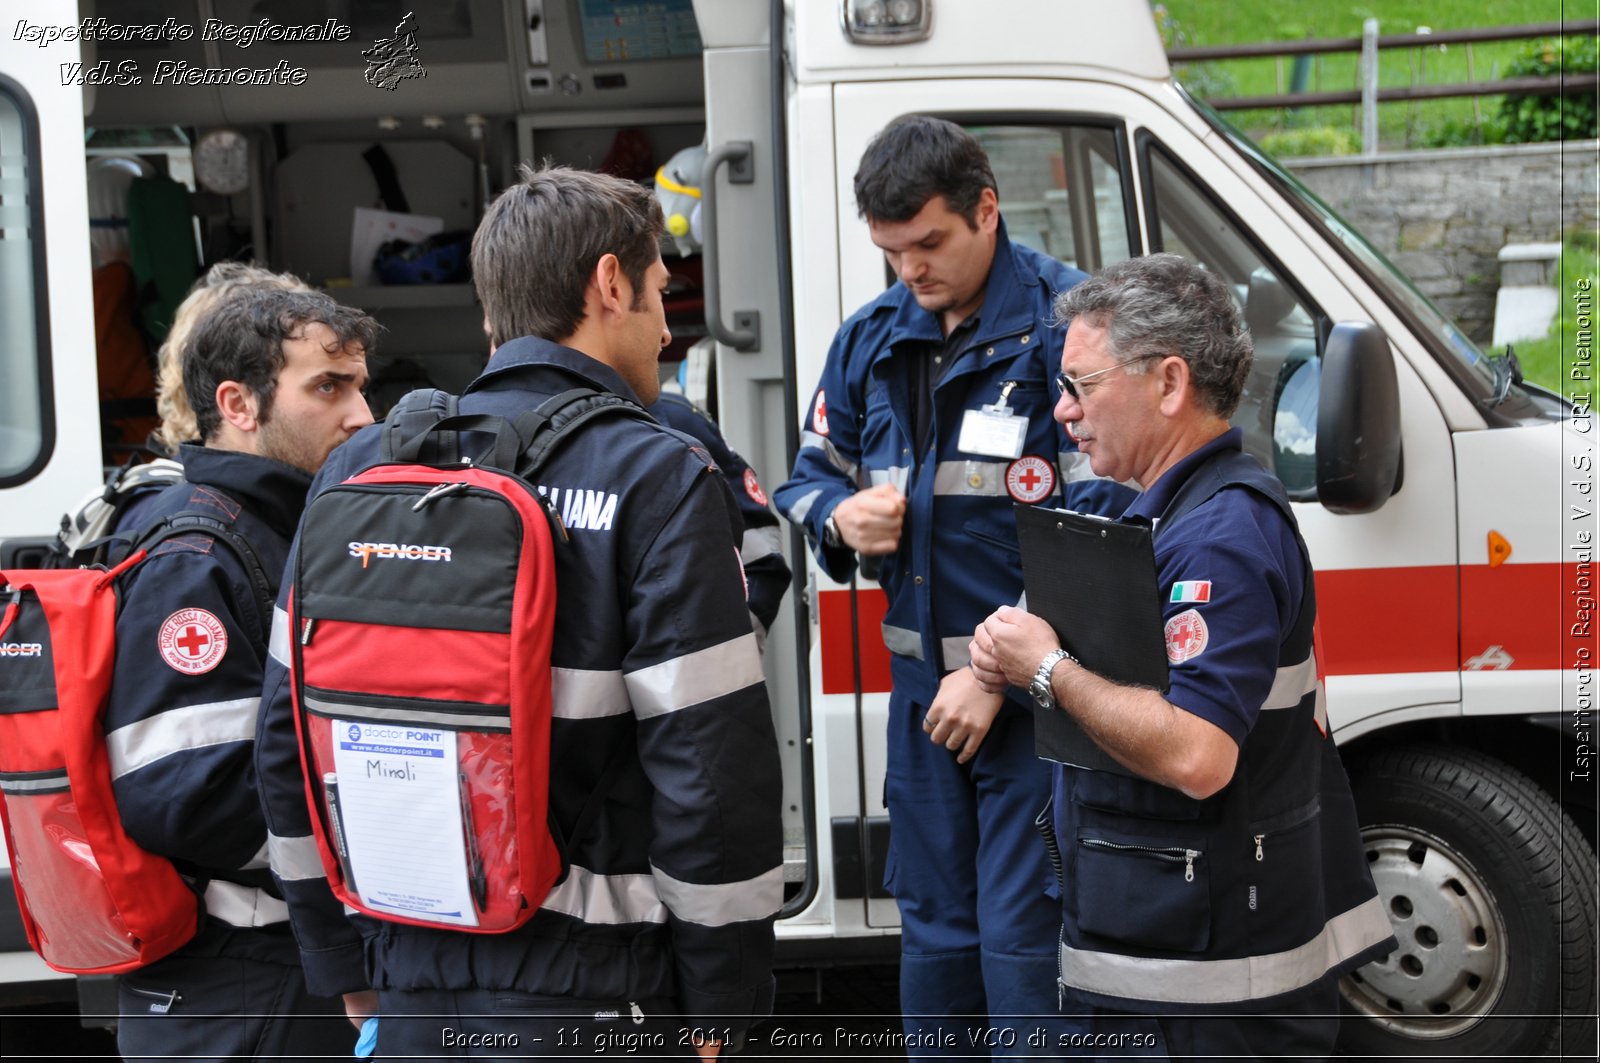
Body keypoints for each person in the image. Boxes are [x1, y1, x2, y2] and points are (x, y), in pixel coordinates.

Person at [255, 164, 784, 1060]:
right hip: (604, 992)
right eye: (660, 293)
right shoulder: (658, 476)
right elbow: (710, 768)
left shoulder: (360, 475)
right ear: (610, 284)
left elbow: (286, 741)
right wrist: (722, 1003)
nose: (664, 326)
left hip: (411, 975)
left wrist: (341, 958)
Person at [969, 253, 1397, 1060]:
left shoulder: (1222, 539)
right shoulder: (1170, 514)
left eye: (1082, 386)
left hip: (1211, 1005)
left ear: (1169, 384)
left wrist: (1045, 671)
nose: (1063, 411)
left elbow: (1199, 756)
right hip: (1176, 970)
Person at [772, 115, 1130, 1052]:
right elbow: (806, 474)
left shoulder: (1070, 328)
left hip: (1036, 709)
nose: (911, 271)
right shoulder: (869, 338)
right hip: (924, 709)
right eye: (892, 252)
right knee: (932, 940)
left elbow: (1104, 534)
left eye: (929, 244)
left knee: (1025, 945)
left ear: (987, 208)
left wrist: (1000, 669)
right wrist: (836, 518)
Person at [107, 286, 379, 1062]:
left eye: (361, 384)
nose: (361, 414)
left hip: (285, 972)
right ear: (238, 403)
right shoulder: (198, 556)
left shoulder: (290, 528)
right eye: (328, 387)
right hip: (239, 985)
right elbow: (184, 791)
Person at [648, 389, 790, 649]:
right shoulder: (552, 424)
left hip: (691, 669)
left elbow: (763, 561)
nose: (664, 344)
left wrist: (725, 651)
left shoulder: (679, 421)